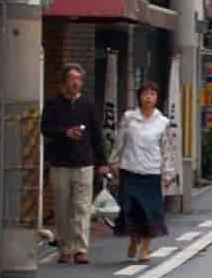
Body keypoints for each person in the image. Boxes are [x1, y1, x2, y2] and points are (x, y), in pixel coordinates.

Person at [40, 63, 110, 264]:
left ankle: (80, 248)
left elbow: (97, 134)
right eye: (72, 78)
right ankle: (64, 247)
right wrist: (65, 132)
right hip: (60, 162)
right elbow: (45, 128)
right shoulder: (53, 105)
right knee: (62, 208)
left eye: (79, 79)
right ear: (63, 82)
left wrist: (102, 161)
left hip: (84, 162)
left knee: (81, 207)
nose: (75, 82)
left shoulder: (87, 105)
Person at [110, 81, 175, 263]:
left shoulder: (162, 122)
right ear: (139, 96)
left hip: (151, 172)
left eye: (152, 94)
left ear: (156, 98)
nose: (148, 97)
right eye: (145, 93)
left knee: (150, 212)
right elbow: (119, 141)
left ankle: (145, 248)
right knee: (130, 210)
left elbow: (167, 149)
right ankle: (133, 239)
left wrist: (168, 173)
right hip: (130, 169)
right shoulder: (129, 118)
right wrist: (114, 161)